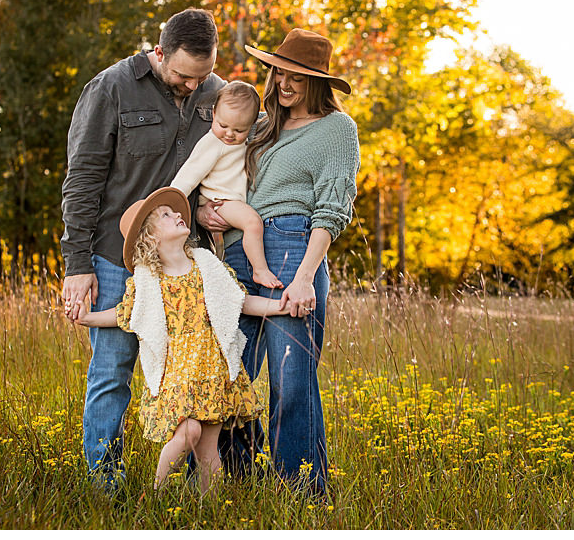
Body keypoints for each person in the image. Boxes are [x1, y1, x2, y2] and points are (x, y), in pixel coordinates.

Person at [60, 9, 228, 489]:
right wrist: (77, 264)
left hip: (184, 265)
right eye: (182, 75)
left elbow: (231, 159)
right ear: (159, 53)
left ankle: (197, 489)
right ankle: (103, 488)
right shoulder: (111, 88)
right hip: (116, 259)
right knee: (113, 372)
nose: (192, 86)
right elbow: (82, 181)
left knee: (196, 374)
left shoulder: (216, 93)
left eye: (202, 76)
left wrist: (218, 210)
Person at [211, 28, 361, 502]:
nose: (282, 82)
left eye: (295, 75)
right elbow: (225, 175)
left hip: (294, 244)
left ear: (317, 81)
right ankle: (235, 475)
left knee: (290, 377)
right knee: (226, 367)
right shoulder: (261, 126)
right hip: (239, 248)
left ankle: (300, 490)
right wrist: (205, 213)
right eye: (278, 71)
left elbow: (332, 210)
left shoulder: (337, 129)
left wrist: (303, 278)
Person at [72, 186, 282, 491]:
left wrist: (280, 306)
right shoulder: (146, 282)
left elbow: (241, 301)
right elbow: (126, 315)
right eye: (166, 216)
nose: (178, 215)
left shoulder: (208, 267)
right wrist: (87, 318)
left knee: (209, 451)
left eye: (175, 212)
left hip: (212, 372)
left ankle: (210, 511)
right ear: (150, 237)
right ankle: (158, 496)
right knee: (187, 433)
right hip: (177, 378)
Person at [169, 79, 283, 288]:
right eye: (223, 125)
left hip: (229, 200)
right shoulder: (213, 143)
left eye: (239, 130)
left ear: (250, 127)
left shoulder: (237, 138)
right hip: (220, 201)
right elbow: (189, 174)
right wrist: (171, 199)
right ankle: (260, 270)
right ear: (214, 114)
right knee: (252, 223)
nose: (229, 134)